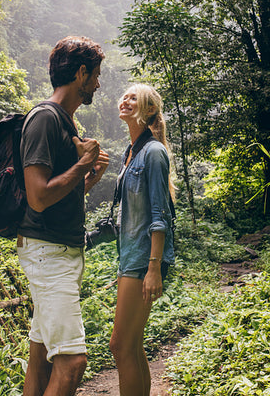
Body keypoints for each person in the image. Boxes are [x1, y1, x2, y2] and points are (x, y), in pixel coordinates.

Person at [17, 36, 109, 396]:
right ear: (81, 73)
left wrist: (88, 178)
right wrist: (84, 162)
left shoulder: (66, 122)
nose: (99, 84)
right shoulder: (44, 119)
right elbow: (38, 197)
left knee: (40, 358)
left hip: (58, 252)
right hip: (48, 254)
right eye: (96, 75)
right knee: (72, 362)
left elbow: (57, 195)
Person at [109, 84, 175, 396]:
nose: (125, 99)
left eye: (134, 97)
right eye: (125, 95)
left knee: (120, 346)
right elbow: (124, 217)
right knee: (130, 345)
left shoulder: (154, 152)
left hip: (142, 261)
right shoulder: (131, 154)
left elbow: (160, 214)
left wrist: (154, 268)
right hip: (131, 258)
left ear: (149, 110)